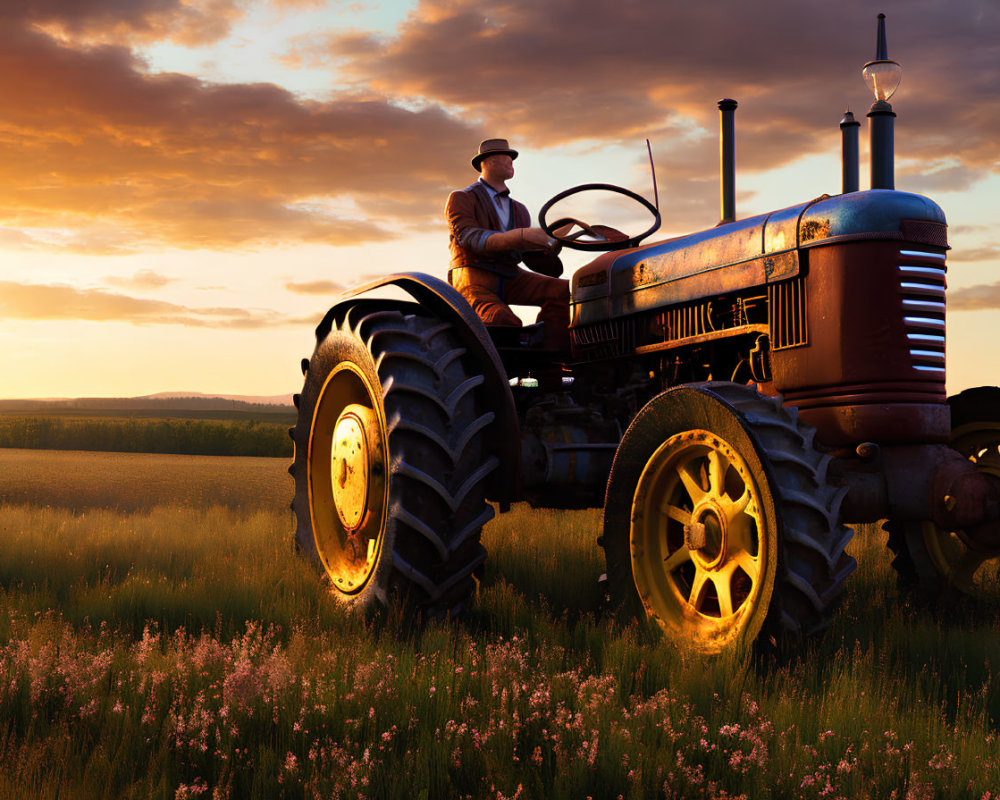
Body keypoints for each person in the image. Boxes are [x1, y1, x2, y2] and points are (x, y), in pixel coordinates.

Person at [445, 138, 570, 352]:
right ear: (489, 162)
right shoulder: (461, 198)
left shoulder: (519, 209)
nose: (511, 162)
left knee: (566, 291)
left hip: (511, 275)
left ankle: (551, 358)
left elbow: (523, 254)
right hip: (474, 279)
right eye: (506, 158)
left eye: (511, 158)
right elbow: (471, 238)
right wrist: (522, 236)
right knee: (502, 319)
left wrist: (550, 243)